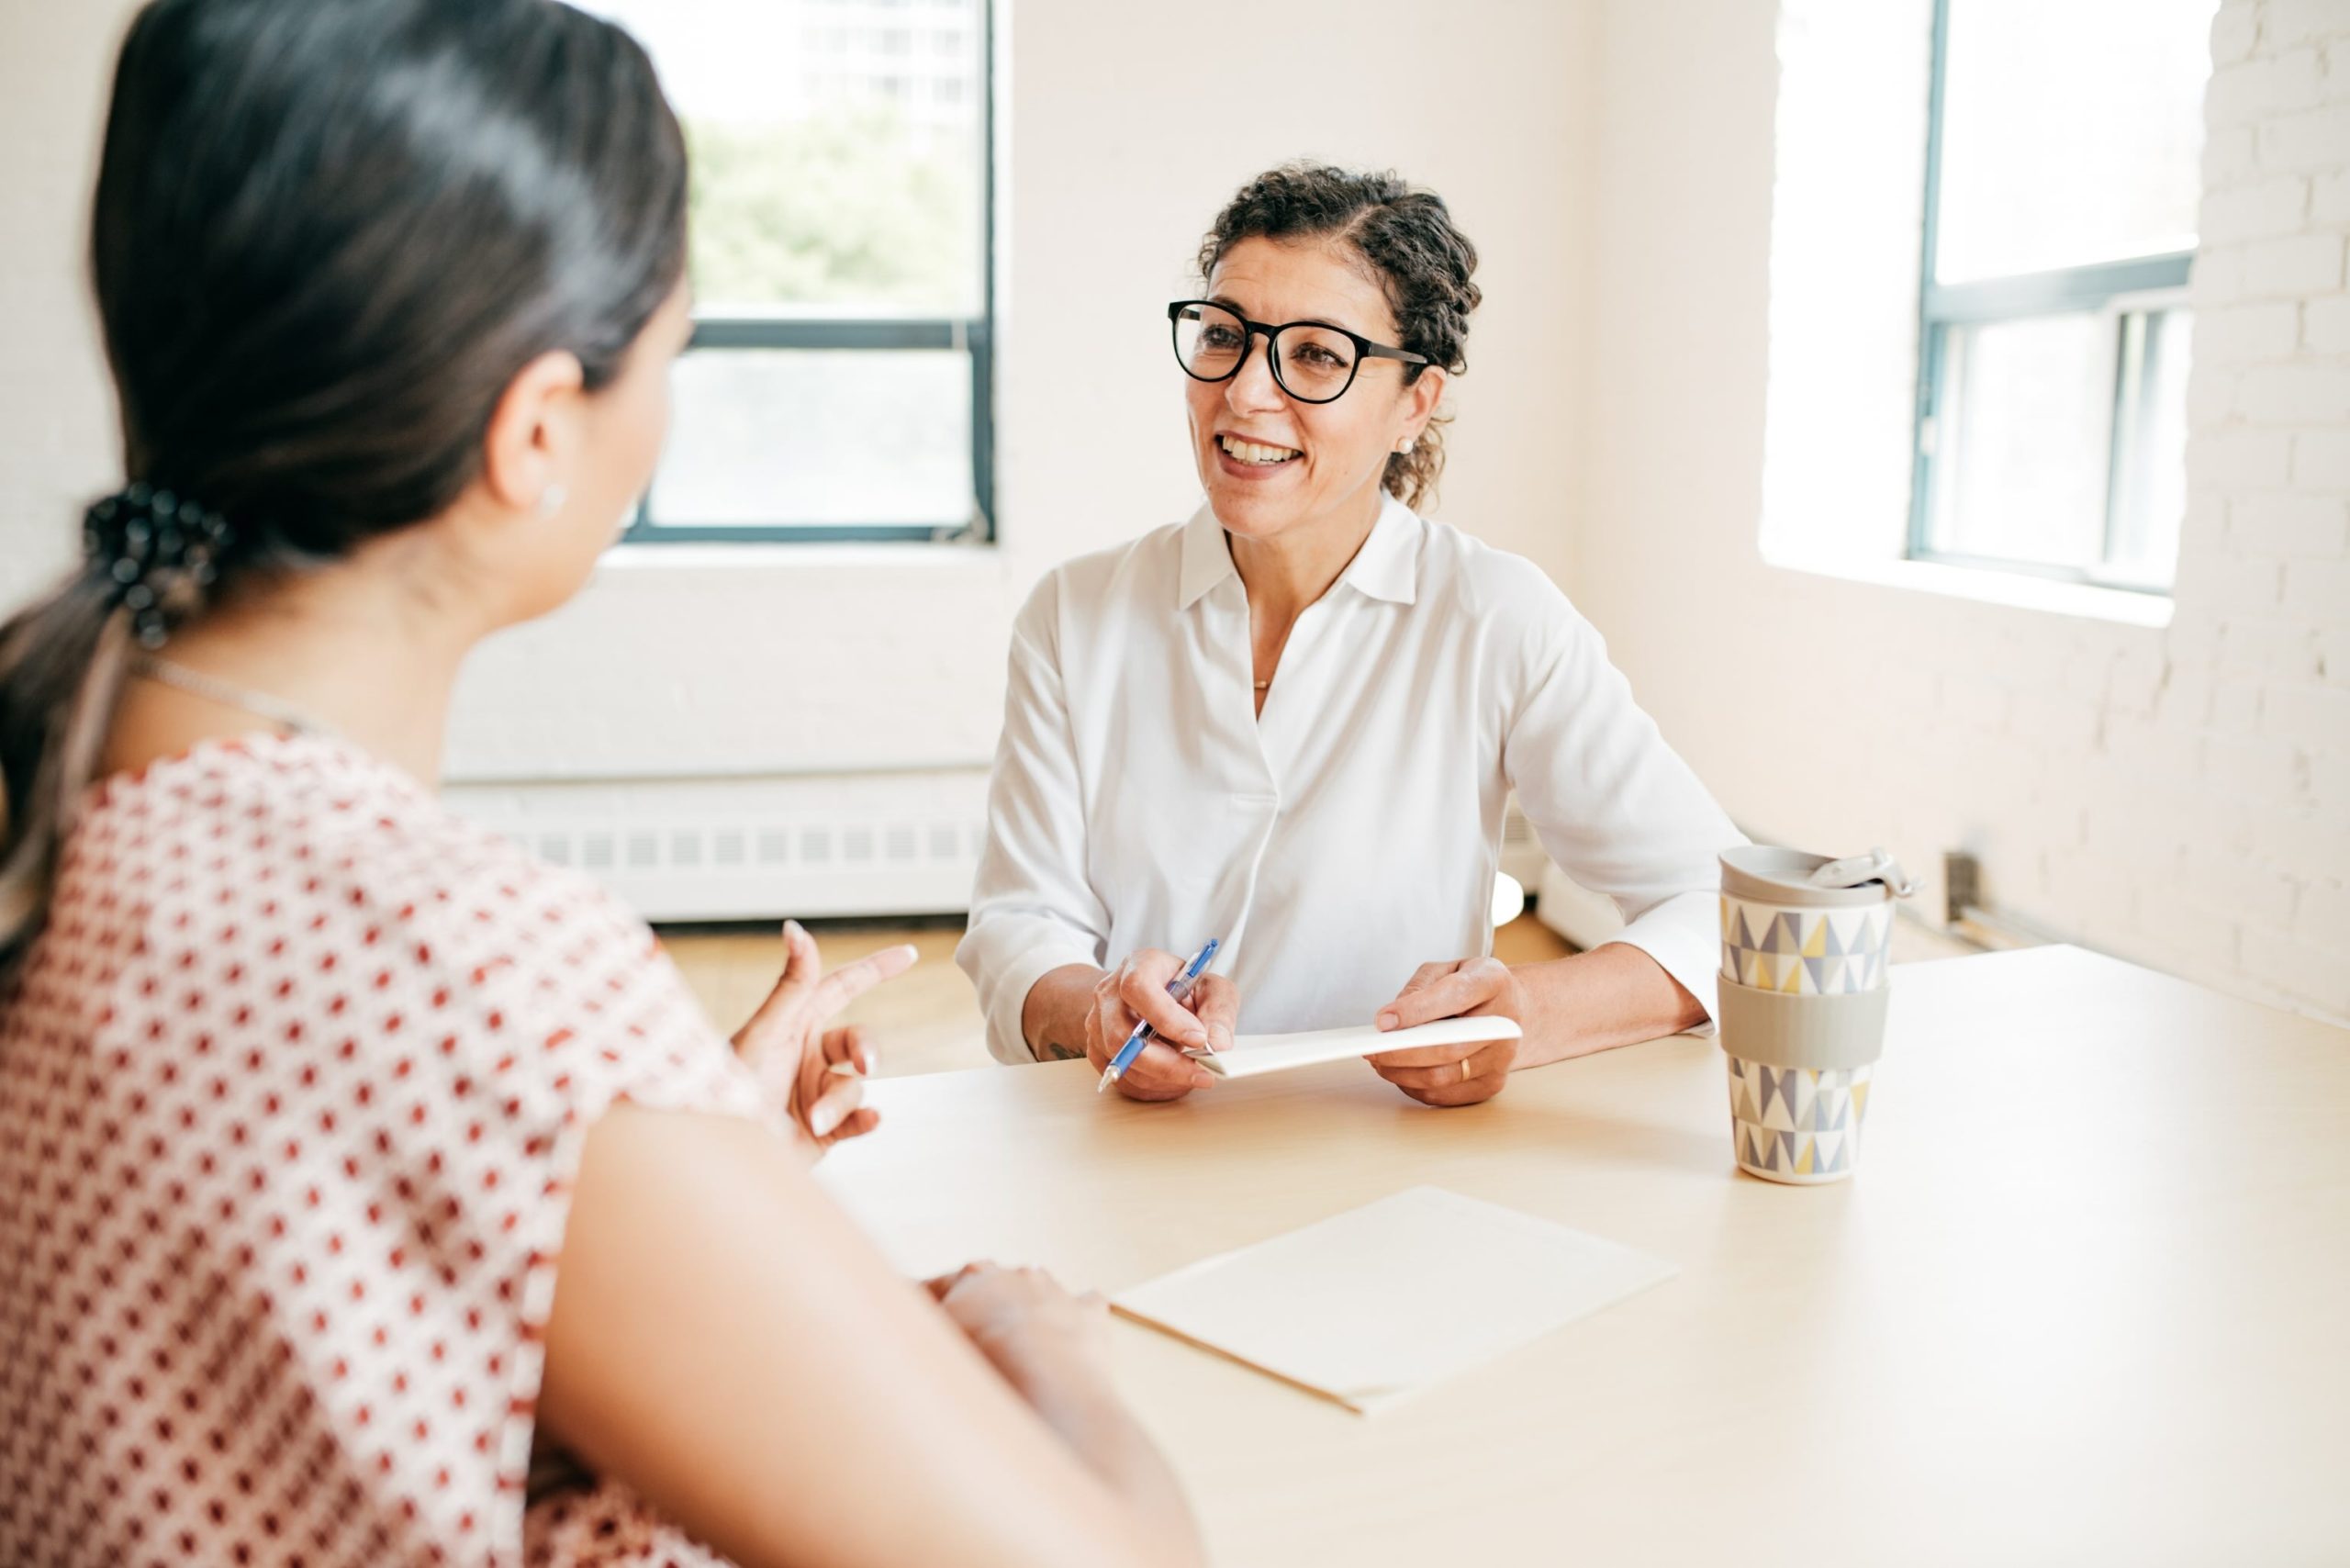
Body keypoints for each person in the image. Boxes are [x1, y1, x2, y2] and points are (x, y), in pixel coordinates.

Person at [0, 4, 1198, 1564]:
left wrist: (672, 1149)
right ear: (538, 428)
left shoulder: (72, 782)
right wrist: (1035, 1336)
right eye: (672, 352)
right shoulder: (481, 984)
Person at [957, 163, 1742, 1106]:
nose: (1245, 392)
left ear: (1413, 404)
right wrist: (1095, 1008)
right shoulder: (1073, 614)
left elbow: (1726, 909)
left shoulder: (1493, 615)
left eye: (1317, 356)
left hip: (1386, 1155)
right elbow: (1017, 925)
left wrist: (1517, 1017)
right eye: (1222, 336)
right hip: (1127, 1144)